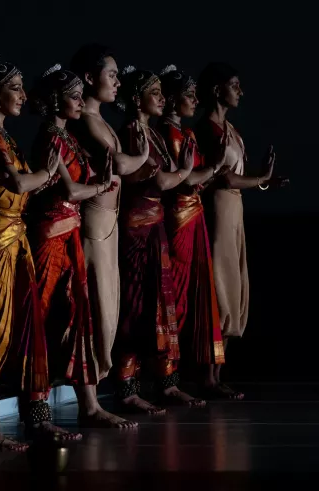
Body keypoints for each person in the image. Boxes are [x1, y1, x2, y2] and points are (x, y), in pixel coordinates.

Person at [0, 54, 82, 451]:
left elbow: (20, 181)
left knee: (30, 332)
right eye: (14, 87)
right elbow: (17, 182)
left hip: (17, 239)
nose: (22, 95)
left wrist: (38, 178)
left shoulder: (5, 136)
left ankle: (37, 417)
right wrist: (46, 175)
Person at [26, 64, 132, 429]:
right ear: (56, 100)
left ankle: (89, 406)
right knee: (40, 320)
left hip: (70, 233)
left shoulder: (66, 137)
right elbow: (69, 190)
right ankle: (37, 414)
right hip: (51, 236)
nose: (78, 101)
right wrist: (102, 187)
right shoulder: (51, 138)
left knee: (80, 316)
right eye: (72, 96)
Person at [113, 66, 204, 412]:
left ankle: (166, 383)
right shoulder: (131, 133)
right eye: (154, 93)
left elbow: (166, 177)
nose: (162, 99)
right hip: (137, 229)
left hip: (156, 227)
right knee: (135, 309)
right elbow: (159, 182)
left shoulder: (151, 134)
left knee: (161, 305)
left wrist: (180, 171)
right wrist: (183, 170)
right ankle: (127, 390)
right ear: (136, 99)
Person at [192, 62, 283, 398]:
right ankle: (207, 376)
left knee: (231, 289)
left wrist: (261, 180)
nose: (240, 91)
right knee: (218, 291)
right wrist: (261, 180)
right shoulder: (208, 130)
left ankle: (216, 372)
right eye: (234, 85)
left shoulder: (230, 129)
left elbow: (236, 177)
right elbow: (224, 177)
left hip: (233, 211)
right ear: (217, 90)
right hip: (218, 210)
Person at [66, 46, 144, 425]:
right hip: (95, 223)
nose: (117, 81)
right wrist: (141, 157)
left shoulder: (102, 121)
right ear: (87, 78)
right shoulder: (87, 121)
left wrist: (136, 161)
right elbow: (124, 165)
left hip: (109, 223)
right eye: (110, 74)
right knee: (95, 309)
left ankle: (96, 398)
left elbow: (124, 166)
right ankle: (90, 405)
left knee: (109, 309)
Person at [156, 65, 232, 398]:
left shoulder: (183, 133)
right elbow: (185, 179)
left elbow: (196, 176)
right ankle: (167, 378)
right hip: (179, 218)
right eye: (188, 95)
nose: (195, 100)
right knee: (177, 297)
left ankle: (186, 376)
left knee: (194, 295)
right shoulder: (169, 133)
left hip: (193, 216)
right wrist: (213, 166)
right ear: (172, 99)